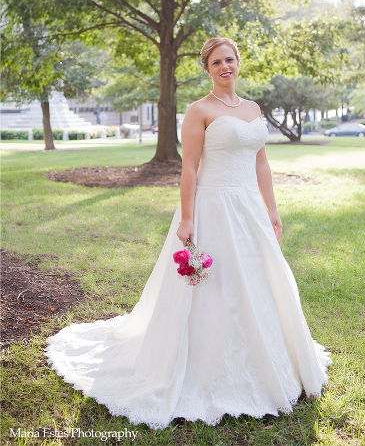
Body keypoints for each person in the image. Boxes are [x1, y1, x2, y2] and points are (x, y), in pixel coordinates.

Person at [46, 37, 330, 429]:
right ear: (207, 69)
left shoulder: (252, 108)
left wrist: (273, 208)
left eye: (230, 59)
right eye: (217, 62)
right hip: (212, 206)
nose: (225, 66)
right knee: (215, 287)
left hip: (248, 208)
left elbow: (261, 162)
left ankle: (273, 358)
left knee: (262, 280)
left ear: (238, 62)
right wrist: (187, 218)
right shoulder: (200, 110)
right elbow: (191, 168)